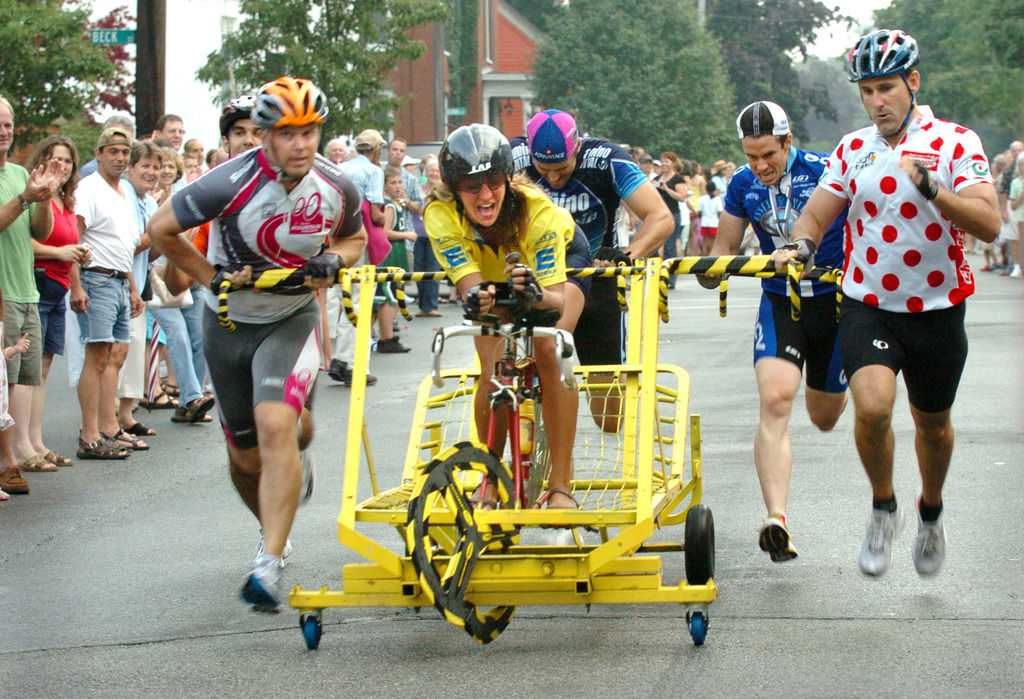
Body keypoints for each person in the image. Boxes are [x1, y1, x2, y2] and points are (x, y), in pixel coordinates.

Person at [772, 30, 1000, 577]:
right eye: (867, 91)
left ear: (912, 83)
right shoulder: (853, 149)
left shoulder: (956, 142)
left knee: (933, 426)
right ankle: (882, 507)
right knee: (873, 409)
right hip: (867, 302)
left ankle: (931, 511)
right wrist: (800, 243)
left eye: (887, 88)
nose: (877, 102)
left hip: (939, 308)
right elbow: (816, 214)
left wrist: (932, 188)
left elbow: (989, 223)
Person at [148, 76, 366, 611]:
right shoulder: (227, 182)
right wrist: (211, 276)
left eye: (310, 131)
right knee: (246, 458)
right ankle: (275, 515)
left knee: (278, 425)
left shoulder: (338, 184)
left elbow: (357, 238)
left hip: (291, 319)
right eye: (288, 133)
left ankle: (266, 565)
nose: (302, 144)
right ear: (265, 135)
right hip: (226, 325)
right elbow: (160, 230)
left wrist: (334, 258)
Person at [706, 100, 849, 562]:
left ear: (789, 142)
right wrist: (711, 270)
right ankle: (776, 520)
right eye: (751, 155)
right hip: (780, 303)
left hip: (835, 303)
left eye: (769, 154)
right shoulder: (742, 185)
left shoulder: (826, 170)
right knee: (774, 400)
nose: (760, 165)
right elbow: (723, 249)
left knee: (824, 417)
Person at [425, 123, 580, 510]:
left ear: (507, 178)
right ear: (453, 188)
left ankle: (561, 485)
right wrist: (477, 301)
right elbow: (473, 286)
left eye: (493, 181)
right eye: (470, 186)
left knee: (548, 349)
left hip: (554, 271)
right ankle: (490, 477)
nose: (484, 195)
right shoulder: (439, 213)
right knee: (492, 366)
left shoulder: (537, 211)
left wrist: (532, 294)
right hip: (494, 272)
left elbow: (556, 300)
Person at [511, 109, 672, 432]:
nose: (555, 178)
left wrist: (627, 254)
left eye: (563, 169)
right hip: (537, 280)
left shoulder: (606, 159)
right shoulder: (512, 157)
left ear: (578, 146)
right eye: (544, 170)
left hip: (597, 280)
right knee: (527, 389)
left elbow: (661, 217)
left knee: (609, 418)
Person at [71, 126, 147, 460]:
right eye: (112, 151)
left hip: (118, 279)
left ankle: (108, 428)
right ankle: (89, 435)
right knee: (97, 354)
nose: (119, 158)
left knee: (114, 356)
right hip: (96, 277)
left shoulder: (124, 192)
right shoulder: (88, 188)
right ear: (98, 154)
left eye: (125, 152)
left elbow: (124, 244)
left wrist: (132, 287)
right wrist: (76, 284)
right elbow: (74, 237)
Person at [0, 96, 63, 493]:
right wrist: (25, 198)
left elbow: (39, 232)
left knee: (23, 380)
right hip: (2, 294)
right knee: (1, 384)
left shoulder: (19, 172)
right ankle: (7, 461)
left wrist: (44, 198)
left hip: (26, 289)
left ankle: (16, 453)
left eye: (7, 124)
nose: (4, 132)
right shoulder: (17, 185)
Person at [27, 135, 91, 469]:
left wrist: (77, 261)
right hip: (37, 283)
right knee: (30, 370)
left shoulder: (67, 202)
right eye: (54, 158)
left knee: (44, 368)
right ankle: (25, 445)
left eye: (67, 161)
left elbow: (70, 250)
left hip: (58, 288)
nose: (61, 166)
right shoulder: (38, 198)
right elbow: (23, 243)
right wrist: (59, 253)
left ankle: (37, 441)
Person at [375, 166, 416, 353]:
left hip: (397, 255)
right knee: (390, 297)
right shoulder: (389, 206)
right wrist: (407, 234)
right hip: (391, 255)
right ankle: (386, 337)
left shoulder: (396, 203)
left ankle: (386, 336)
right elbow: (385, 232)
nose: (398, 186)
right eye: (393, 183)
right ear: (383, 186)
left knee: (393, 295)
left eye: (400, 182)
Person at [697, 180, 724, 255]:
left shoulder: (702, 199)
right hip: (714, 223)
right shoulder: (717, 199)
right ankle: (711, 259)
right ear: (715, 189)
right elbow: (719, 212)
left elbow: (699, 212)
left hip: (704, 223)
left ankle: (704, 258)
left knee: (705, 242)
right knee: (713, 244)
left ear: (706, 189)